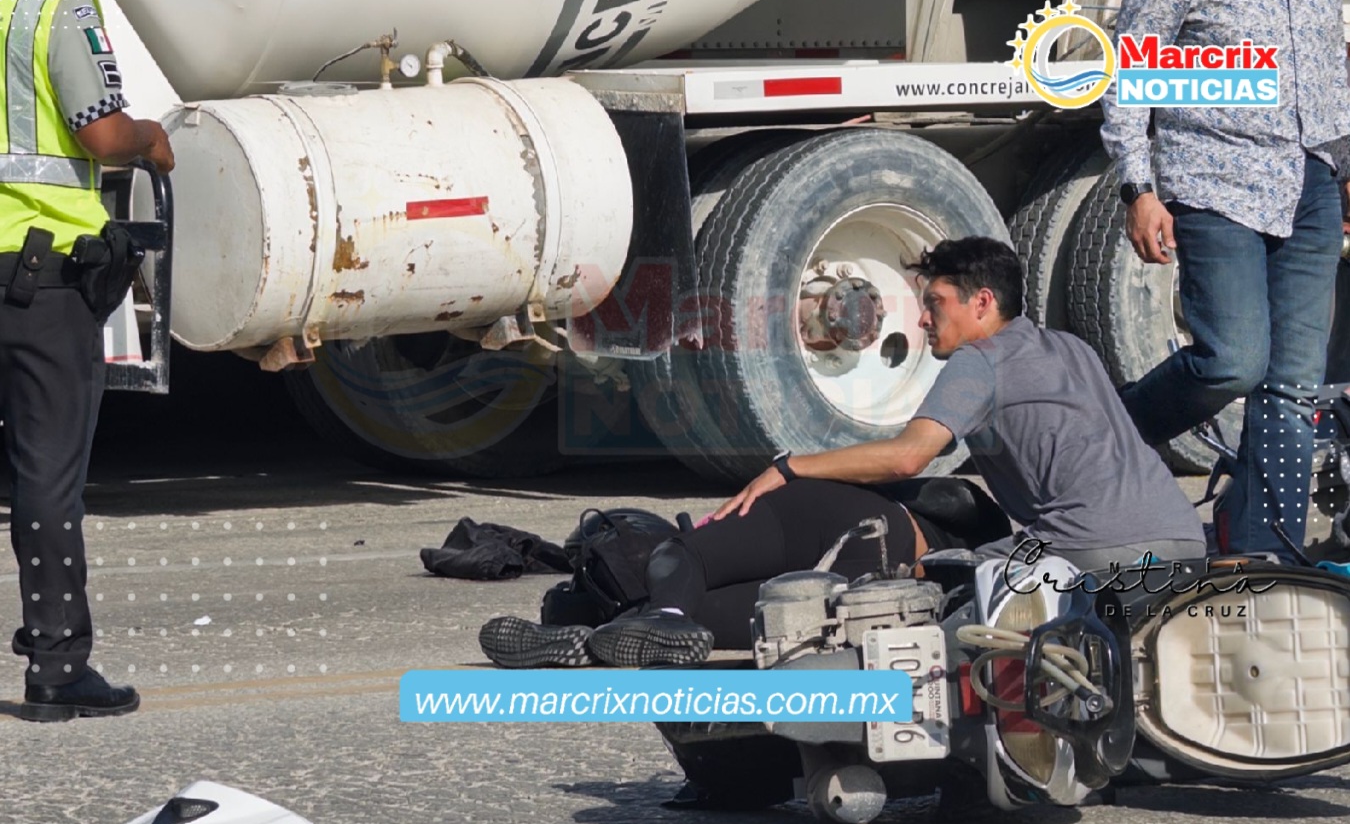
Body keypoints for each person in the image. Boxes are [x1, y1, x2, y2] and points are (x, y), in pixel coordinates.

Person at [480, 237, 1206, 668]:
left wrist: (790, 465)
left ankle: (621, 622)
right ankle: (620, 628)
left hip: (1085, 555)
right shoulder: (1071, 348)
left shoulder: (980, 362)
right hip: (1183, 548)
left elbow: (908, 458)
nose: (923, 318)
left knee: (926, 623)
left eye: (937, 303)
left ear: (982, 303)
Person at [1100, 0, 1350, 561]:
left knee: (1292, 385)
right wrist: (1138, 187)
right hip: (1218, 183)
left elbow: (1328, 66)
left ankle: (1267, 548)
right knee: (1232, 363)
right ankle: (1105, 435)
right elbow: (1131, 74)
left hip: (1312, 180)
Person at [0, 0, 175, 722]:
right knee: (46, 471)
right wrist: (151, 138)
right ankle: (58, 665)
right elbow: (101, 134)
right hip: (41, 279)